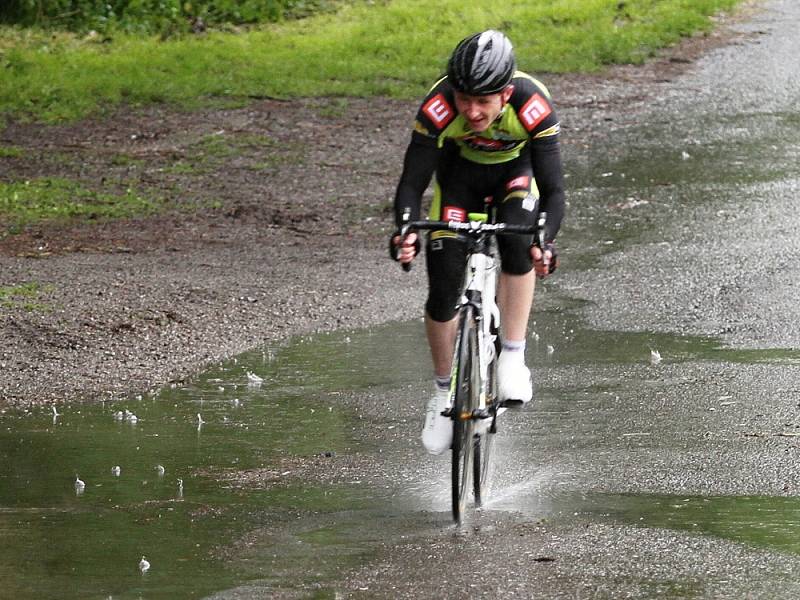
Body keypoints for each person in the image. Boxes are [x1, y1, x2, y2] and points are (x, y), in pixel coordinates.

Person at [390, 30, 566, 455]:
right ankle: (440, 394)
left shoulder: (532, 104)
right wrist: (406, 230)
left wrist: (544, 240)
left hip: (516, 177)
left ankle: (512, 356)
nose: (471, 111)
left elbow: (555, 191)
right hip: (459, 182)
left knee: (518, 245)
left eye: (483, 101)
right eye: (464, 98)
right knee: (443, 288)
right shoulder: (438, 105)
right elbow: (411, 183)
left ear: (505, 94)